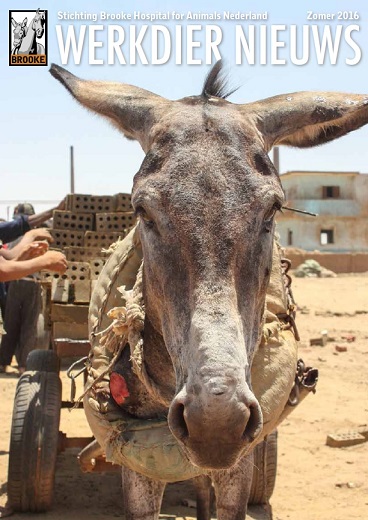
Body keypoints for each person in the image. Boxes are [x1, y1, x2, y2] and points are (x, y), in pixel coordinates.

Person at [0, 201, 68, 375]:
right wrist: (44, 261)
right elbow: (3, 270)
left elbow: (7, 258)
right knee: (25, 325)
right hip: (24, 284)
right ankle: (20, 364)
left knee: (14, 324)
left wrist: (26, 248)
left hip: (20, 283)